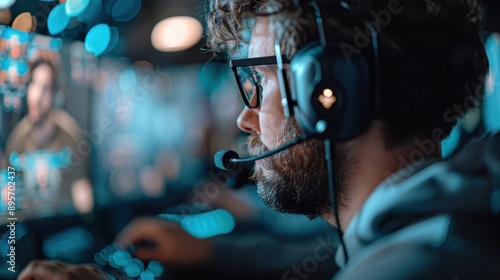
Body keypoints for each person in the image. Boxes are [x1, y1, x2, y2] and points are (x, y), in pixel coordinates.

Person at [19, 0, 500, 279]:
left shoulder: (416, 265)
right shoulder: (420, 227)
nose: (247, 119)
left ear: (328, 94)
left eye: (262, 83)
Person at [2, 58, 93, 216]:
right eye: (34, 84)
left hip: (61, 229)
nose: (36, 96)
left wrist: (88, 223)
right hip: (27, 230)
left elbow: (81, 189)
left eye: (45, 88)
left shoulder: (70, 134)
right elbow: (8, 195)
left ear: (55, 95)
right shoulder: (18, 138)